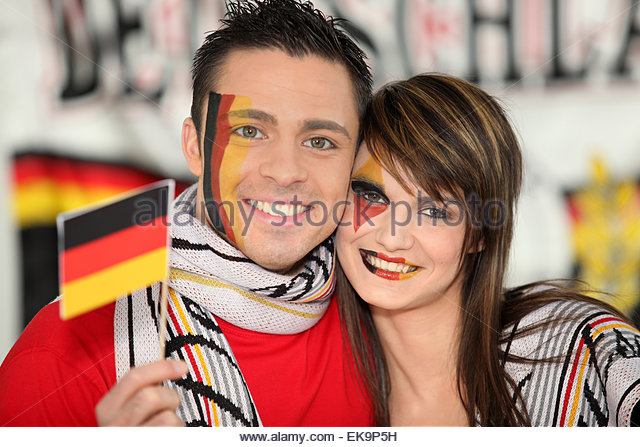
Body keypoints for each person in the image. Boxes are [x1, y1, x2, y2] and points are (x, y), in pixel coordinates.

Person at [0, 0, 374, 426]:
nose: (286, 172)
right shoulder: (67, 346)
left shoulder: (387, 320)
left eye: (320, 141)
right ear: (195, 147)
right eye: (249, 131)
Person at [336, 73, 640, 426]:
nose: (392, 237)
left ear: (481, 233)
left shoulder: (579, 347)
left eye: (433, 210)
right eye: (372, 195)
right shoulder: (324, 395)